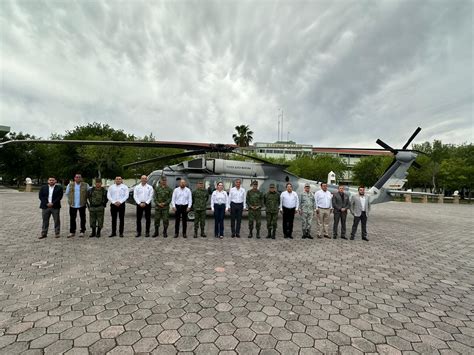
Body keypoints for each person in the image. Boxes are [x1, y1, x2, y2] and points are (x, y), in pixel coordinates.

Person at [65, 173, 89, 238]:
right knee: (72, 218)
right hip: (73, 205)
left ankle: (82, 231)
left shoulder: (86, 185)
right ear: (74, 178)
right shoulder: (70, 185)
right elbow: (67, 193)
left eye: (79, 177)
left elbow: (88, 193)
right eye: (77, 177)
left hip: (82, 204)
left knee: (83, 218)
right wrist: (70, 201)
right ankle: (72, 231)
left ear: (81, 178)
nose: (78, 178)